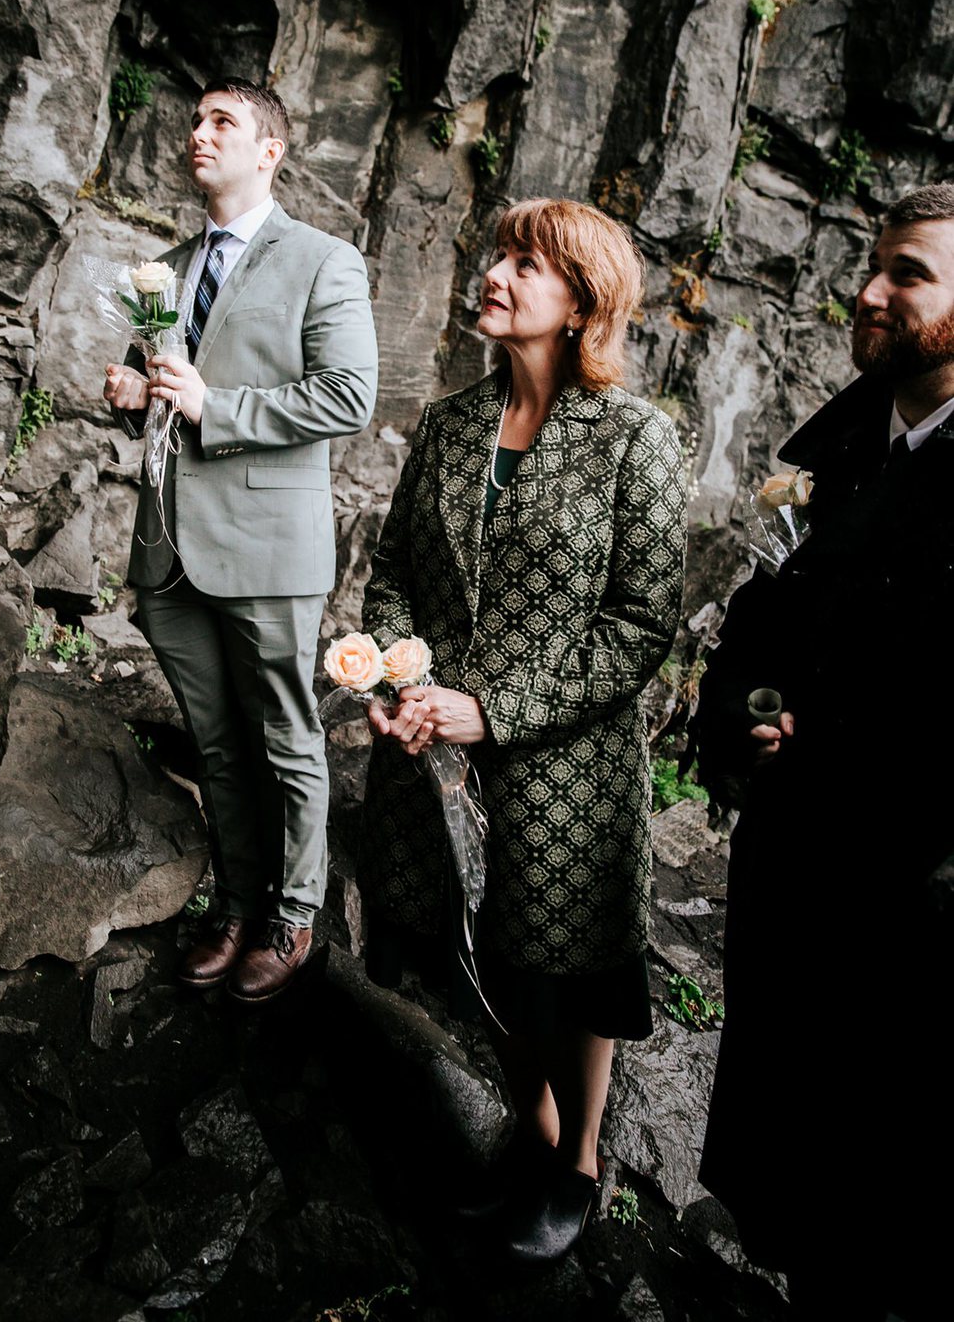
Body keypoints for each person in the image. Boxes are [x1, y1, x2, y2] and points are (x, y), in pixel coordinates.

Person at [356, 198, 686, 1263]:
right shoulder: (451, 423)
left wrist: (495, 710)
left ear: (582, 300)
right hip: (434, 760)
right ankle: (534, 1129)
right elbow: (395, 571)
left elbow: (641, 623)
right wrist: (399, 674)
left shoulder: (635, 436)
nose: (494, 273)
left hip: (568, 773)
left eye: (525, 263)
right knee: (466, 953)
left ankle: (577, 1161)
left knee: (566, 971)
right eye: (498, 254)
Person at [695, 184, 954, 1318]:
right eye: (873, 264)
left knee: (892, 1207)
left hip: (916, 909)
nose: (870, 289)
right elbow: (764, 624)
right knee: (800, 1182)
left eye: (909, 272)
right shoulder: (843, 446)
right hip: (799, 873)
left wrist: (842, 744)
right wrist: (739, 719)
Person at [103, 77, 378, 1002]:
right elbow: (170, 401)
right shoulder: (169, 266)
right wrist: (136, 399)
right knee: (217, 743)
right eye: (192, 120)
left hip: (267, 543)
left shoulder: (323, 259)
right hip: (169, 547)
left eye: (222, 121)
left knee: (289, 740)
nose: (198, 134)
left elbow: (347, 397)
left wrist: (215, 405)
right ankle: (236, 903)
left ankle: (295, 918)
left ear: (270, 150)